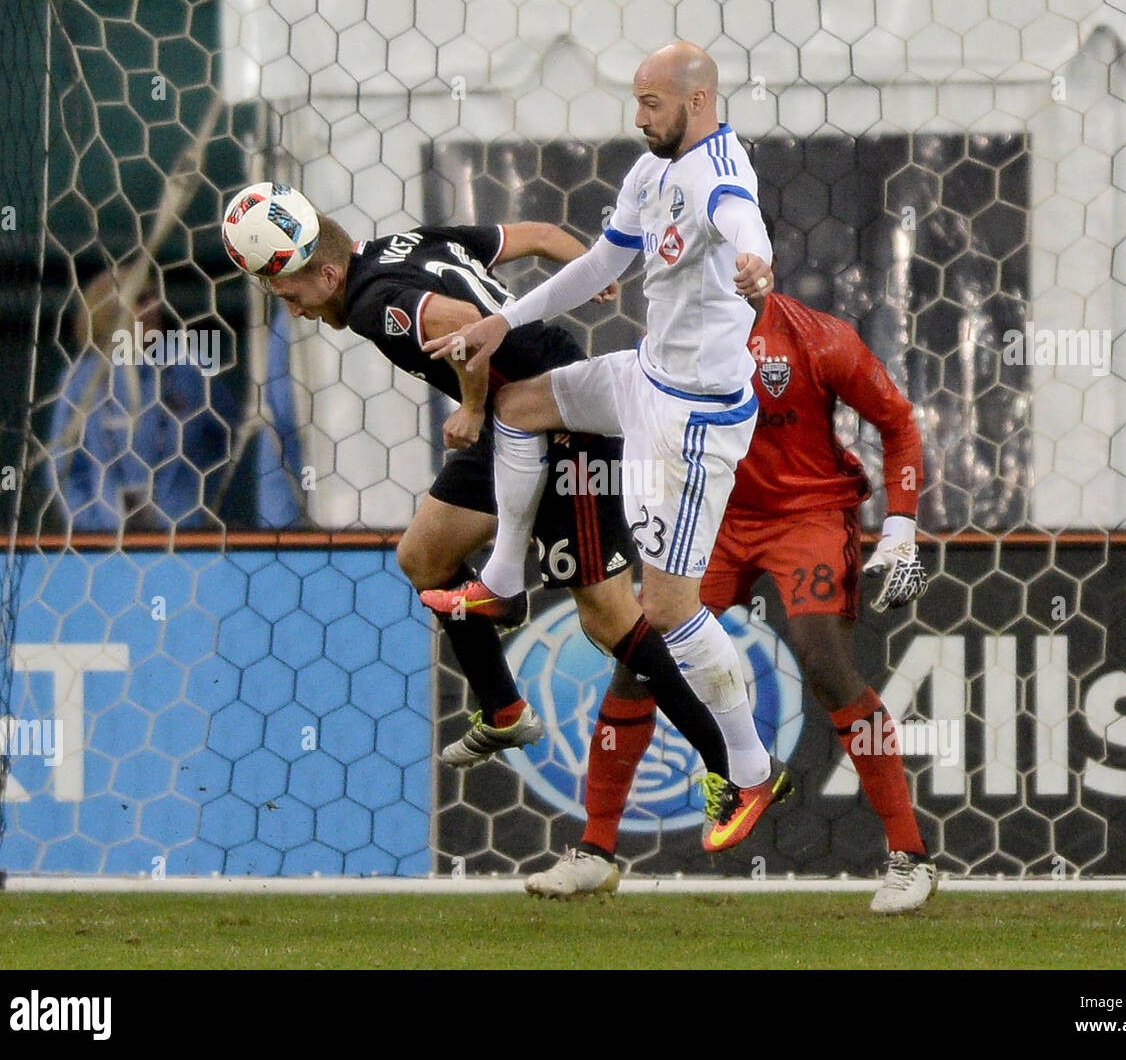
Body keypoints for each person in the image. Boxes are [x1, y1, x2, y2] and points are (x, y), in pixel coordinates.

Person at [246, 204, 776, 850]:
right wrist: (588, 264)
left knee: (608, 616)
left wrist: (469, 408)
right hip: (511, 418)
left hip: (555, 415)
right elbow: (539, 235)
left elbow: (467, 325)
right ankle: (504, 710)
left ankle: (733, 768)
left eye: (293, 294)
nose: (295, 310)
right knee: (423, 557)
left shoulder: (370, 301)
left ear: (328, 273)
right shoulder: (409, 242)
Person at [422, 41, 788, 852]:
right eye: (636, 98)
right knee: (518, 403)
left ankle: (753, 770)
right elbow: (598, 265)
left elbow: (741, 217)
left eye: (651, 101)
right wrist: (500, 320)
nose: (637, 114)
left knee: (667, 606)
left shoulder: (719, 173)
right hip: (645, 375)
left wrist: (757, 262)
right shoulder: (651, 171)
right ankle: (504, 580)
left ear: (696, 102)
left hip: (693, 421)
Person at [525, 221, 936, 913]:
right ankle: (595, 851)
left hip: (806, 513)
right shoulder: (672, 344)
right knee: (640, 658)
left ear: (756, 264)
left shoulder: (819, 338)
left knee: (824, 661)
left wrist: (900, 527)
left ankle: (910, 855)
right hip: (710, 517)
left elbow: (897, 420)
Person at [49, 262, 237, 531]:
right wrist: (90, 526)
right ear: (108, 312)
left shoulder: (192, 368)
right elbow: (64, 468)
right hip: (103, 547)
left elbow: (230, 441)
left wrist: (207, 511)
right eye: (141, 300)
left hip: (187, 542)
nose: (154, 307)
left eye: (154, 297)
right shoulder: (80, 382)